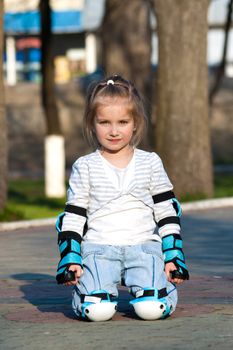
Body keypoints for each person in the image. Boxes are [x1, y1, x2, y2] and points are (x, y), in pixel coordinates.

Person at [55, 75, 189, 322]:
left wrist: (172, 255)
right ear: (92, 123)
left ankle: (161, 289)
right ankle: (87, 292)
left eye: (123, 122)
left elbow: (166, 211)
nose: (114, 131)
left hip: (144, 248)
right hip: (98, 249)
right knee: (97, 311)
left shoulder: (150, 162)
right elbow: (73, 217)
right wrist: (71, 258)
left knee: (151, 309)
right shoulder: (85, 166)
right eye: (104, 122)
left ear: (135, 123)